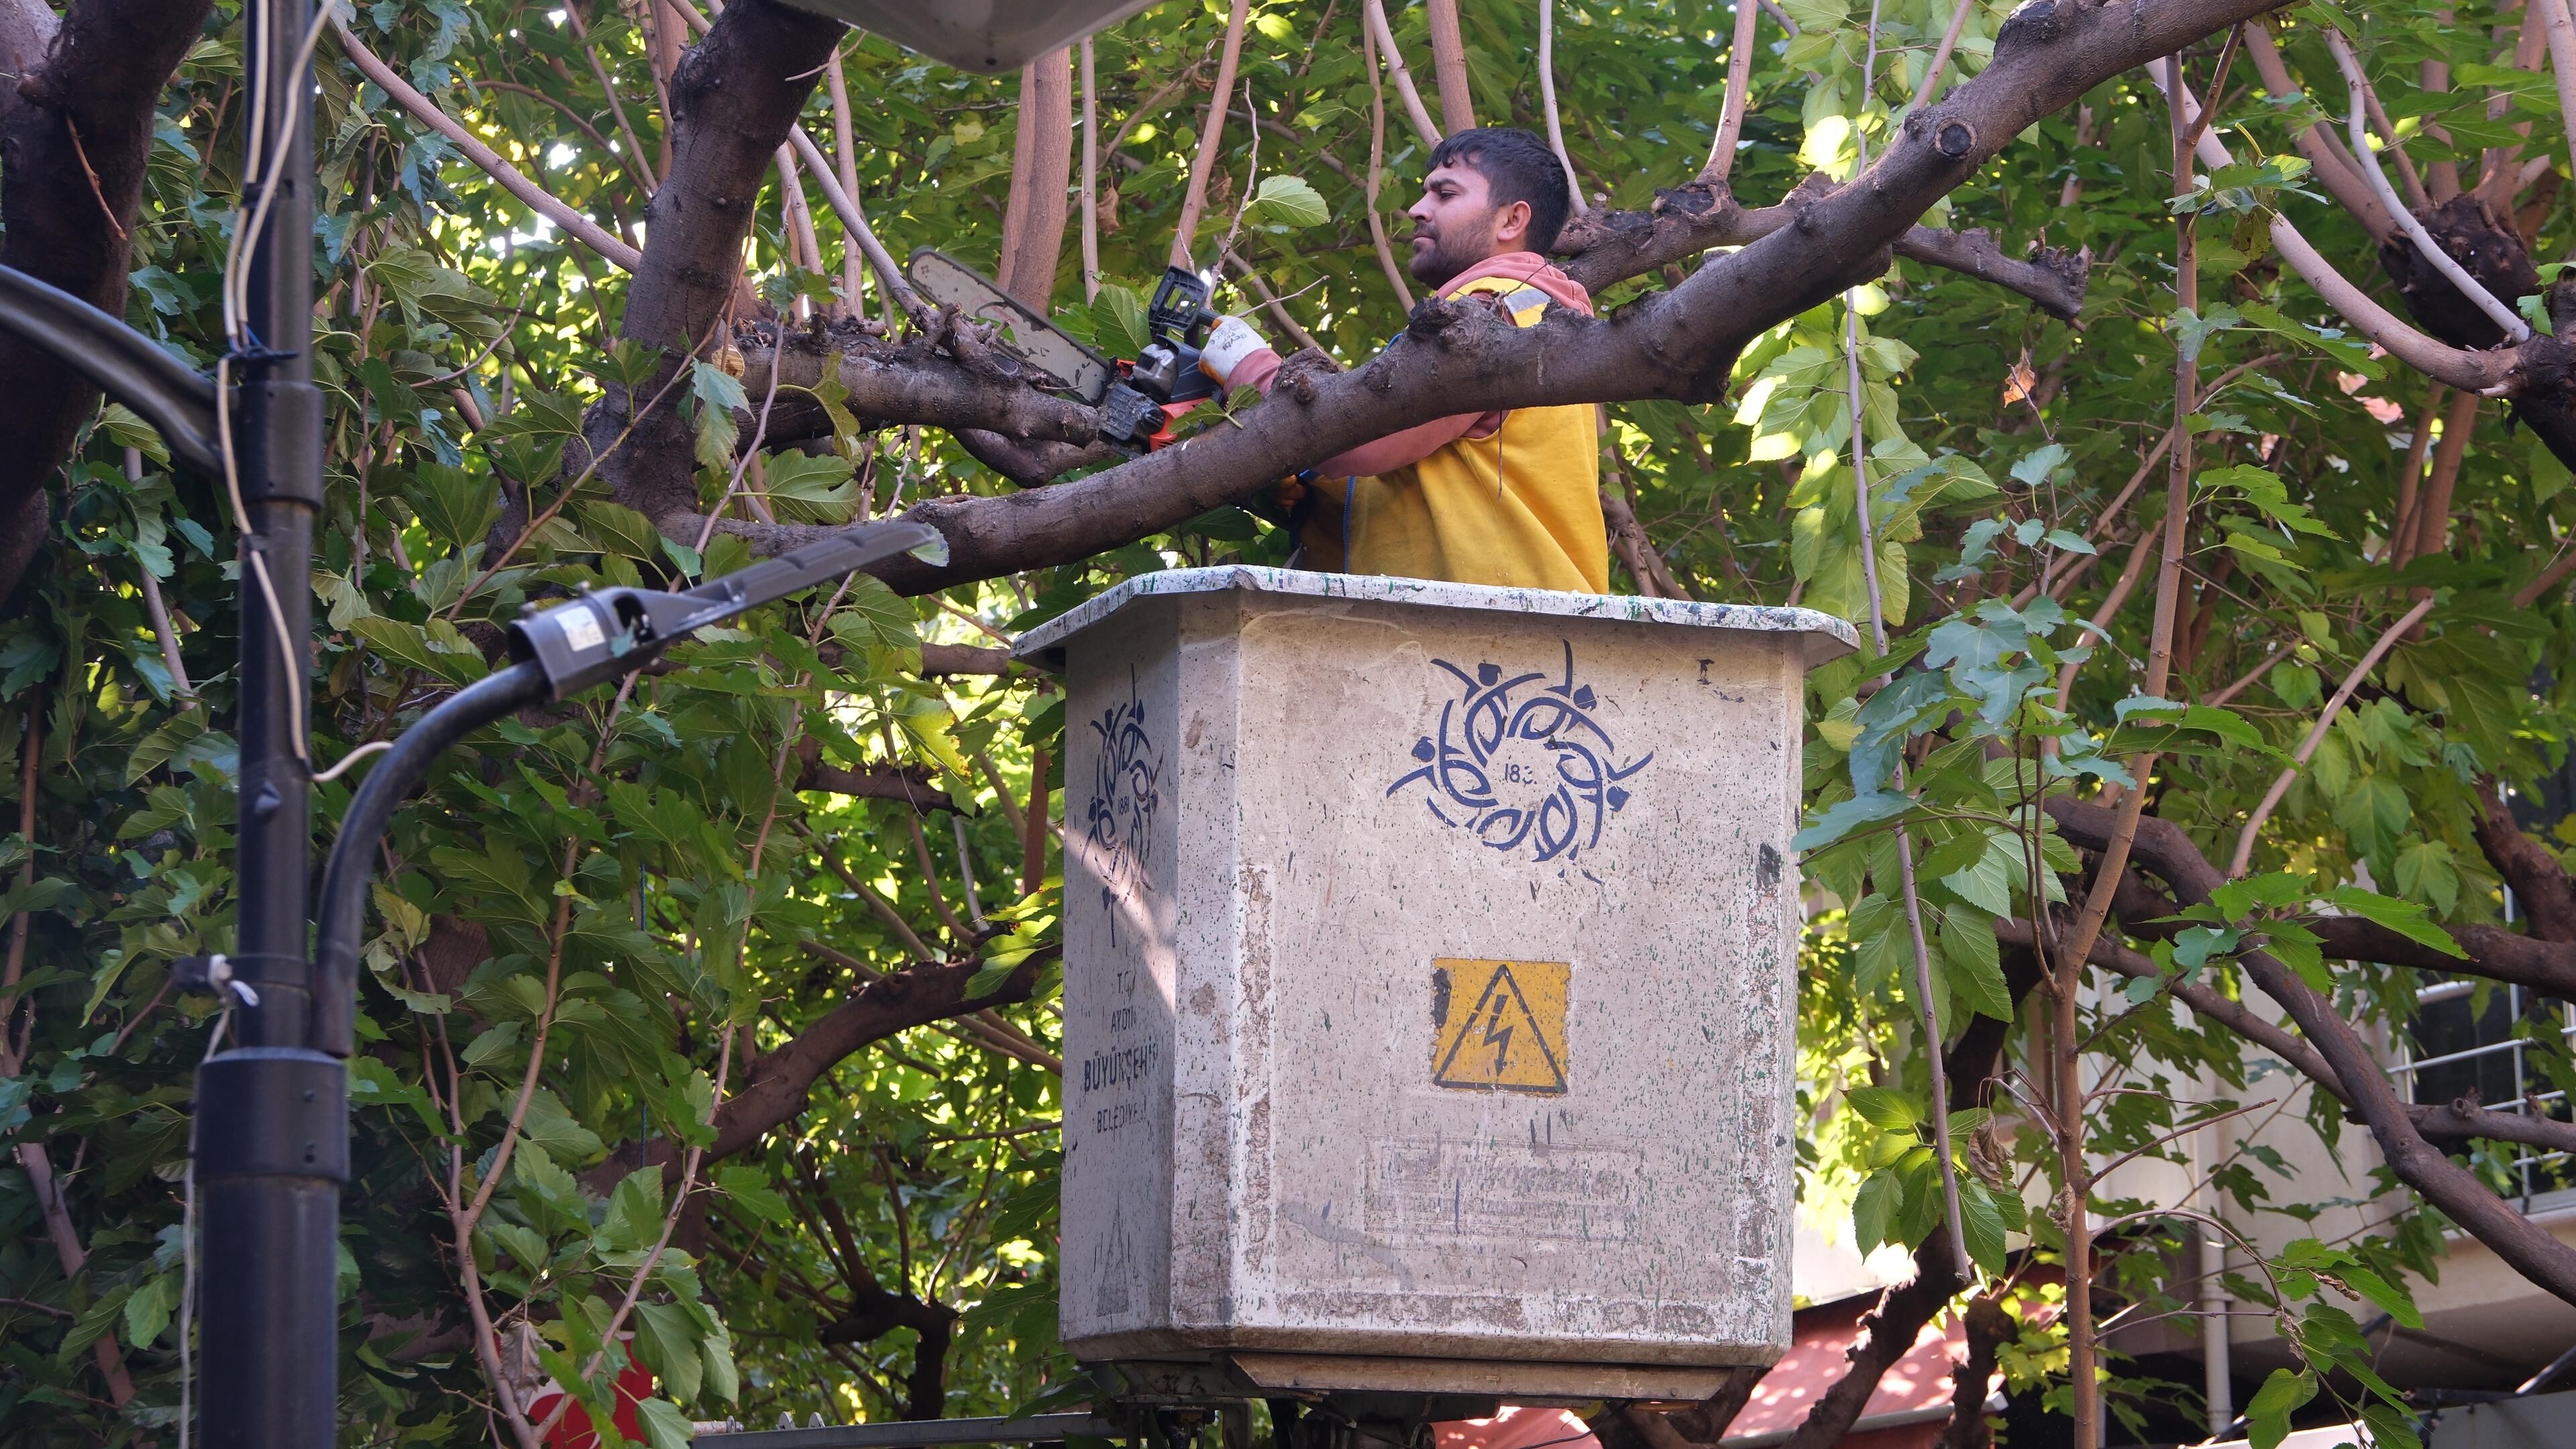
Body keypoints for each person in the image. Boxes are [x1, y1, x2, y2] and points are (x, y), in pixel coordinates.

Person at [1197, 126, 1609, 594]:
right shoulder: (1542, 320)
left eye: (1445, 194)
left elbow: (1355, 442)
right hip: (1507, 632)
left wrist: (1250, 368)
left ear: (1511, 221)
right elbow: (1414, 474)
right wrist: (1309, 491)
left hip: (1483, 635)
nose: (1417, 210)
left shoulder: (1489, 314)